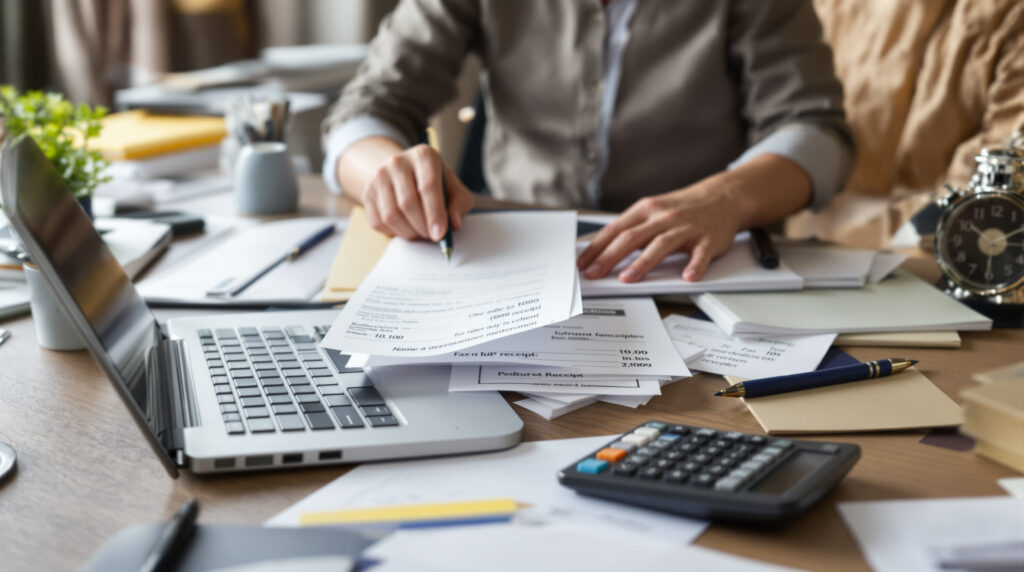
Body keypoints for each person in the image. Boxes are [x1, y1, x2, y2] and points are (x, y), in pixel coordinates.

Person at [322, 0, 854, 282]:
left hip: (694, 276)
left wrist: (728, 197)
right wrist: (385, 175)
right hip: (511, 266)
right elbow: (366, 109)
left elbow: (816, 129)